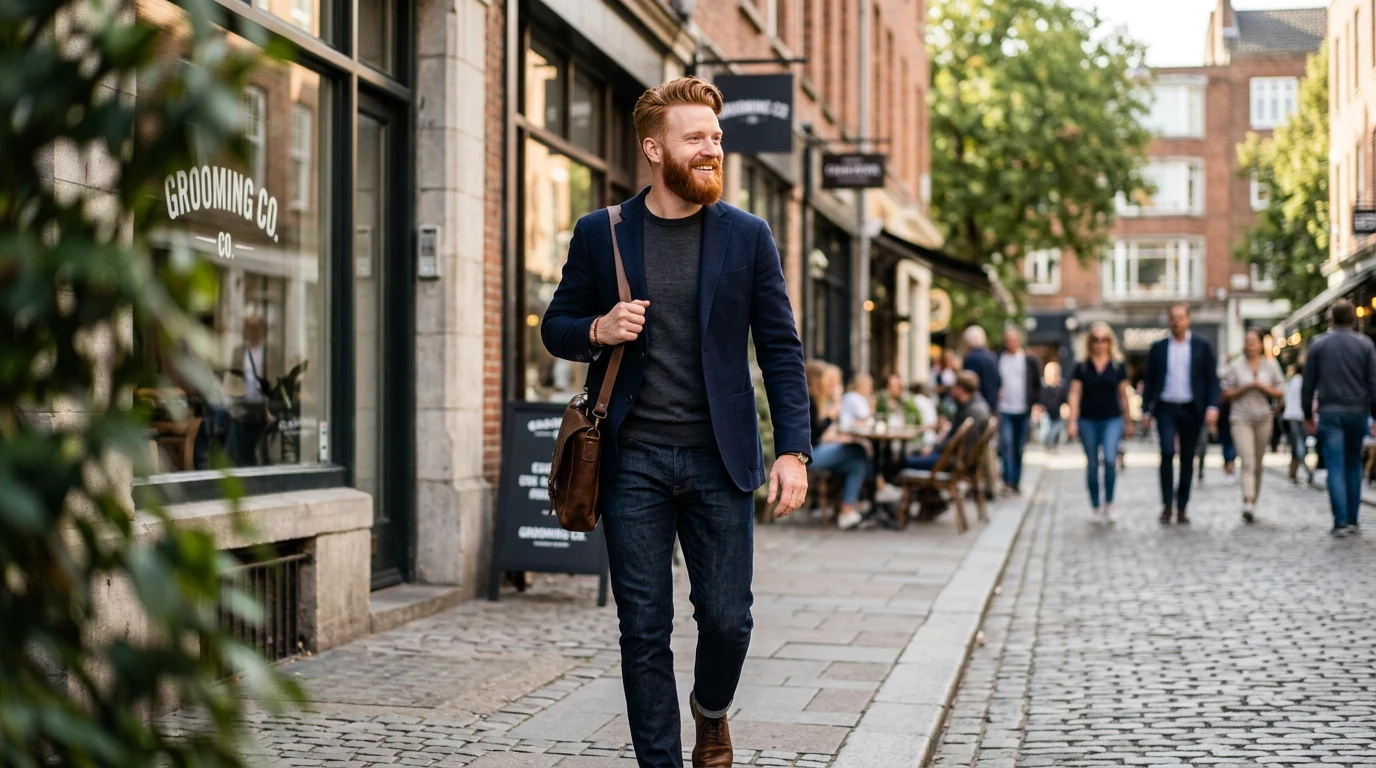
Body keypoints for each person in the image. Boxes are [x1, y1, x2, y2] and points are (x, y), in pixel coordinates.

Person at [540, 77, 811, 767]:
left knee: (728, 619)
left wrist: (794, 453)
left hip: (720, 463)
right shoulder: (602, 233)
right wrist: (598, 327)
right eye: (698, 139)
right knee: (643, 631)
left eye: (717, 139)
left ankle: (711, 710)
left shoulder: (748, 236)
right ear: (655, 150)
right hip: (631, 461)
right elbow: (556, 327)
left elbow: (780, 348)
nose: (712, 149)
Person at [1301, 299, 1376, 537]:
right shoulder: (1365, 345)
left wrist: (1306, 414)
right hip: (1357, 411)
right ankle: (1353, 520)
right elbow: (1373, 383)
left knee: (1335, 466)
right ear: (1353, 319)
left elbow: (1308, 382)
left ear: (1331, 319)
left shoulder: (1319, 345)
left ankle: (1340, 521)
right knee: (1354, 464)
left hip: (1330, 412)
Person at [1142, 304, 1220, 525]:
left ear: (1188, 320)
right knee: (1166, 452)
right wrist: (1146, 410)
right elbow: (1149, 381)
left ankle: (1182, 506)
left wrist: (1212, 407)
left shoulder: (1201, 346)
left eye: (1180, 317)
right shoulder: (1158, 348)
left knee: (1188, 458)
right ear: (1169, 321)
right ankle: (1167, 504)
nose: (1176, 322)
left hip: (1191, 408)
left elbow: (1211, 381)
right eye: (1173, 318)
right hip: (1166, 407)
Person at [1066, 322, 1134, 522]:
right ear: (1089, 342)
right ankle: (1096, 506)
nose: (1099, 344)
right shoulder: (1082, 366)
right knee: (1093, 463)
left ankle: (1110, 502)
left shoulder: (1117, 366)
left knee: (1111, 460)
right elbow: (1074, 394)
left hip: (1112, 419)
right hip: (1088, 420)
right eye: (1095, 340)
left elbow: (1123, 395)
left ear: (1110, 342)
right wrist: (1072, 421)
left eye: (1104, 340)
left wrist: (1129, 420)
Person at [1220, 329, 1285, 523]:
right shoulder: (1235, 367)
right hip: (1241, 417)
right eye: (1247, 341)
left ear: (1260, 344)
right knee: (1247, 460)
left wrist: (1265, 388)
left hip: (1264, 418)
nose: (1250, 345)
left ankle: (1253, 500)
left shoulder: (1271, 366)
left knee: (1258, 462)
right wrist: (1244, 388)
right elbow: (1225, 393)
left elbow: (1281, 392)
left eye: (1253, 341)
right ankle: (1248, 501)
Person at [807, 362, 870, 531]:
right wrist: (835, 407)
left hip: (818, 450)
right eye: (829, 380)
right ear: (817, 381)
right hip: (809, 455)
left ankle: (847, 511)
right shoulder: (809, 401)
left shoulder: (820, 401)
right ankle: (877, 490)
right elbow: (816, 435)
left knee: (857, 462)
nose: (833, 385)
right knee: (858, 450)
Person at [905, 371, 990, 471]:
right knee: (914, 453)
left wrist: (934, 449)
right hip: (956, 458)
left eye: (953, 387)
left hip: (954, 461)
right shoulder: (971, 406)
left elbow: (956, 442)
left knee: (905, 460)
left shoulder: (971, 412)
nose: (951, 390)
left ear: (960, 389)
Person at [996, 325, 1042, 494]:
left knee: (1019, 447)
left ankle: (1016, 481)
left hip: (1023, 409)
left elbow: (1037, 385)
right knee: (1006, 444)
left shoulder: (1029, 360)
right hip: (1005, 409)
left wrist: (1036, 404)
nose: (1011, 343)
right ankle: (1007, 481)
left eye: (1014, 340)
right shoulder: (999, 359)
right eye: (1008, 340)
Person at [1282, 364, 1314, 485]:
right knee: (1299, 445)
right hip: (1298, 416)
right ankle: (1307, 470)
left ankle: (1292, 475)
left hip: (1290, 415)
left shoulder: (1291, 382)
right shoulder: (1302, 382)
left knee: (1296, 446)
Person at [1038, 362, 1069, 452]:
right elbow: (1039, 398)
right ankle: (1046, 444)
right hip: (1046, 411)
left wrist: (1066, 407)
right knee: (1046, 431)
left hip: (1058, 412)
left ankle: (1054, 445)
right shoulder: (1043, 385)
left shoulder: (1061, 385)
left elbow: (1065, 399)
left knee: (1056, 430)